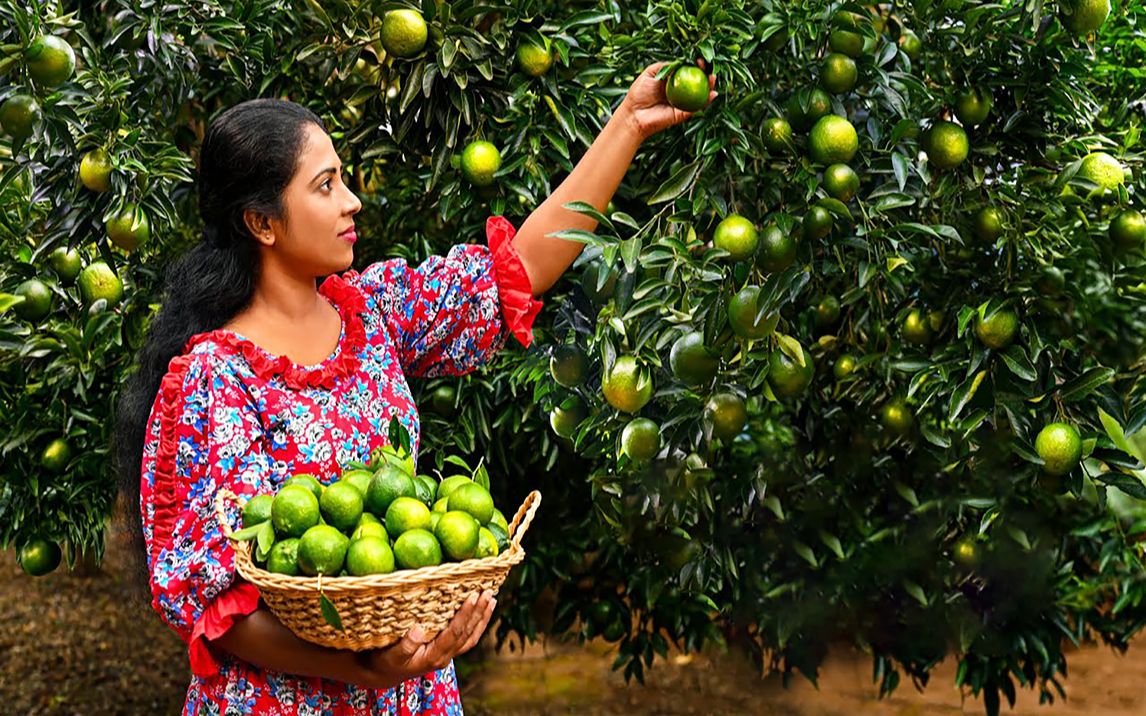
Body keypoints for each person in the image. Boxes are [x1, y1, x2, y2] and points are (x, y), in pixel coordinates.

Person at [112, 60, 716, 714]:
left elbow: (524, 265)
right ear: (262, 223)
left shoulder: (375, 316)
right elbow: (212, 608)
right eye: (326, 185)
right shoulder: (212, 380)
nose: (352, 202)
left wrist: (628, 123)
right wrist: (360, 670)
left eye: (343, 179)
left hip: (411, 688)